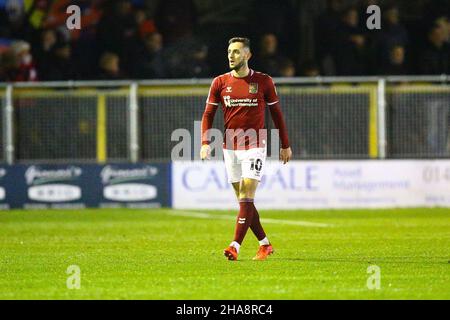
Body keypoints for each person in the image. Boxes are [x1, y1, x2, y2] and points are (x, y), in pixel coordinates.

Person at [200, 37, 292, 261]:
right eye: (229, 51)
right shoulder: (219, 82)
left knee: (247, 195)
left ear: (248, 55)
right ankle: (265, 244)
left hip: (255, 144)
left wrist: (285, 145)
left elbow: (276, 114)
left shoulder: (263, 81)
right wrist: (204, 142)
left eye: (237, 52)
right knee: (244, 201)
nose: (231, 56)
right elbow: (208, 115)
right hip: (230, 147)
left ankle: (234, 246)